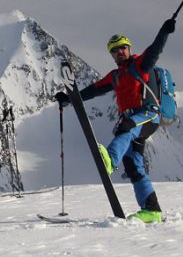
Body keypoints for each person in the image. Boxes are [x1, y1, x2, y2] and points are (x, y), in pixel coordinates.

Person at [55, 18, 176, 223]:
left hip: (148, 113)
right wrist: (69, 99)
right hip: (132, 119)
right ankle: (152, 210)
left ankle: (110, 160)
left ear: (129, 49)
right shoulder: (115, 76)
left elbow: (155, 49)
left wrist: (164, 30)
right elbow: (93, 90)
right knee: (132, 165)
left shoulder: (140, 65)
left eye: (122, 48)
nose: (119, 52)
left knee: (126, 127)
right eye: (114, 50)